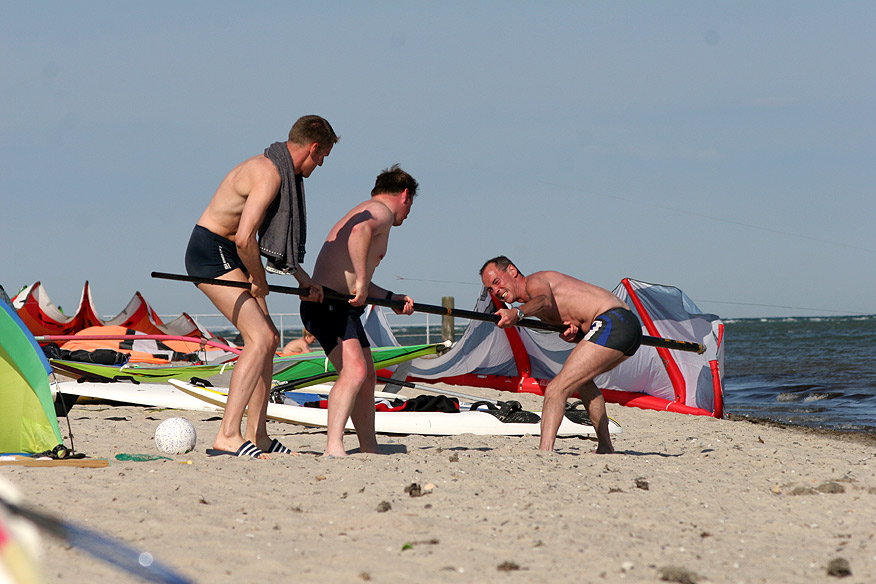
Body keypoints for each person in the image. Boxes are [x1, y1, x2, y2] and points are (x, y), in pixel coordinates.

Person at [185, 115, 339, 459]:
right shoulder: (268, 173)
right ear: (313, 148)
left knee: (269, 340)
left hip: (232, 252)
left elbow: (260, 242)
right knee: (262, 339)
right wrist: (258, 279)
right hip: (211, 252)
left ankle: (258, 434)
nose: (321, 164)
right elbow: (244, 239)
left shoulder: (281, 172)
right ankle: (227, 434)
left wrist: (304, 280)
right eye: (323, 156)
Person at [301, 164, 418, 457]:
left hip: (339, 305)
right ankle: (333, 447)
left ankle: (369, 446)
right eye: (411, 205)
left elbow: (355, 281)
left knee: (367, 378)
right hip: (327, 304)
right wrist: (364, 283)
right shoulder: (380, 212)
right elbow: (358, 233)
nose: (408, 212)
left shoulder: (370, 209)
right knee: (355, 372)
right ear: (405, 195)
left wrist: (391, 297)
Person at [478, 256, 642, 454]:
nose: (495, 290)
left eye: (496, 282)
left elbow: (544, 301)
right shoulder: (535, 304)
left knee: (556, 389)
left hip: (613, 321)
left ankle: (544, 452)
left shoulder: (534, 282)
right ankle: (605, 446)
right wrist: (572, 333)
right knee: (583, 382)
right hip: (626, 328)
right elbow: (575, 321)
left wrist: (517, 313)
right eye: (490, 289)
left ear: (512, 271)